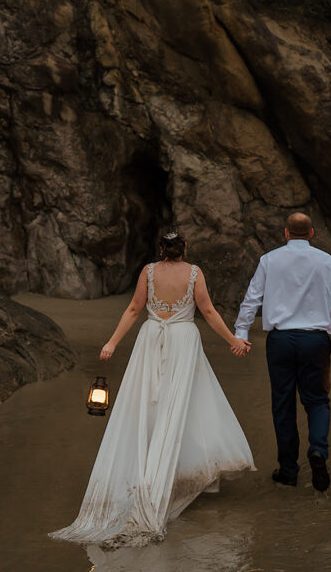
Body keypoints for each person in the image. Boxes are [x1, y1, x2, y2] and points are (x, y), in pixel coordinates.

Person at [50, 228, 255, 547]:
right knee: (179, 408)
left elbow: (133, 310)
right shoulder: (195, 273)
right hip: (184, 341)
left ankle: (151, 474)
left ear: (161, 249)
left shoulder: (147, 271)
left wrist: (112, 343)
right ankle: (164, 480)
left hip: (150, 340)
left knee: (148, 406)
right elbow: (209, 311)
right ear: (184, 248)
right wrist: (234, 342)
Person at [234, 212, 331, 492]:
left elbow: (252, 298)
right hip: (315, 341)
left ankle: (289, 471)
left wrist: (241, 333)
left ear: (286, 233)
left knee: (283, 404)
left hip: (280, 340)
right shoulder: (327, 262)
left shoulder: (269, 260)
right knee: (317, 401)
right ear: (312, 233)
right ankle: (318, 450)